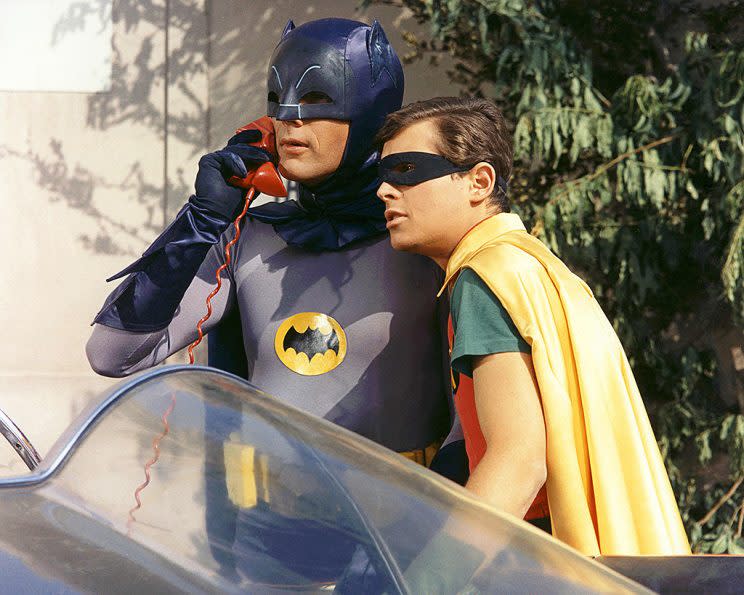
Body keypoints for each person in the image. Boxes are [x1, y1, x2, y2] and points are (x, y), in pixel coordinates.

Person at [87, 19, 464, 586]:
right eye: (277, 99)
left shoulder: (423, 237)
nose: (291, 118)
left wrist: (443, 542)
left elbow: (475, 415)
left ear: (368, 111)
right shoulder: (249, 236)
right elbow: (113, 352)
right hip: (270, 536)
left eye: (317, 99)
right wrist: (201, 219)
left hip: (402, 539)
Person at [375, 96, 691, 556]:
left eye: (406, 171)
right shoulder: (533, 267)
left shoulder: (485, 276)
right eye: (382, 176)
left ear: (479, 182)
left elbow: (519, 463)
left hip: (541, 559)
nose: (384, 191)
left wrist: (432, 580)